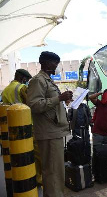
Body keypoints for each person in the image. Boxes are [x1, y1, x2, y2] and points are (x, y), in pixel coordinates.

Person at [27, 51, 73, 197]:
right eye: (56, 63)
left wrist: (63, 99)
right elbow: (34, 105)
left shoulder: (47, 80)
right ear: (47, 63)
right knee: (53, 172)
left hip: (54, 131)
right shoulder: (38, 80)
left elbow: (50, 104)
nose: (57, 67)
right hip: (49, 133)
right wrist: (59, 98)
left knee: (56, 172)